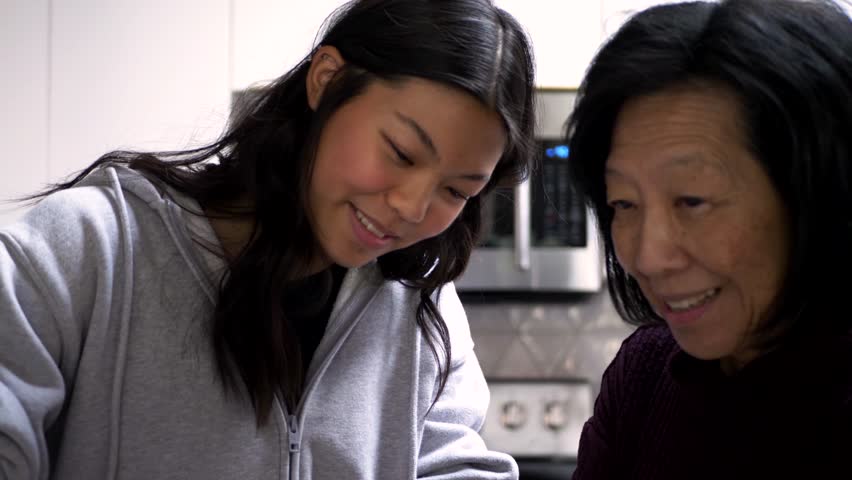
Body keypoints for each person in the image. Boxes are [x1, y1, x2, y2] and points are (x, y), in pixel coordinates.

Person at [0, 0, 537, 478]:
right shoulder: (93, 245)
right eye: (399, 153)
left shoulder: (421, 305)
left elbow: (457, 465)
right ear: (326, 80)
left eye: (456, 189)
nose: (411, 208)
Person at [564, 0, 852, 478]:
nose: (649, 257)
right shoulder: (645, 376)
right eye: (624, 203)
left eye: (693, 201)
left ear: (819, 195)